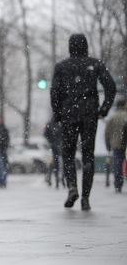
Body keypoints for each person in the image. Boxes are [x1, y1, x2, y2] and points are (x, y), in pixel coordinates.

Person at [50, 33, 116, 211]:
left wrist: (57, 114)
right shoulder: (95, 64)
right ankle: (86, 198)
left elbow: (54, 93)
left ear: (70, 46)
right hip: (89, 114)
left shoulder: (62, 67)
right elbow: (110, 87)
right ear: (85, 46)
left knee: (68, 153)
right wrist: (103, 109)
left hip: (69, 114)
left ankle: (72, 187)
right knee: (88, 154)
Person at [104, 98, 127, 193]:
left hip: (115, 144)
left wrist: (108, 145)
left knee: (117, 163)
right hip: (125, 144)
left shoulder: (112, 118)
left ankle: (118, 184)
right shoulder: (126, 116)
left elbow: (107, 133)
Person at [43, 118, 64, 189]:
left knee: (54, 164)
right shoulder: (60, 123)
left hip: (53, 148)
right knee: (60, 164)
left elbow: (45, 134)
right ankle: (60, 180)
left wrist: (51, 141)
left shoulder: (50, 124)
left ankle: (55, 179)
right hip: (58, 147)